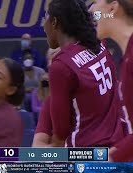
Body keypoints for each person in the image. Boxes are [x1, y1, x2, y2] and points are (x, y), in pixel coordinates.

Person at [43, 0, 124, 147]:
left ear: (54, 22)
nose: (44, 26)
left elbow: (61, 131)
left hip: (86, 155)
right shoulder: (99, 45)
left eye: (45, 18)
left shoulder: (61, 66)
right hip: (117, 144)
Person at [89, 0, 133, 161]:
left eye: (96, 2)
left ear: (113, 7)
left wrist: (111, 160)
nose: (92, 8)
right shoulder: (126, 60)